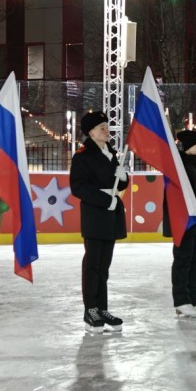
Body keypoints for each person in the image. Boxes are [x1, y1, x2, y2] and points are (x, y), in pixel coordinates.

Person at [69, 111, 128, 334]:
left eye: (106, 126)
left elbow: (118, 185)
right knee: (92, 265)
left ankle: (102, 309)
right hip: (95, 214)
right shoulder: (82, 156)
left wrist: (124, 178)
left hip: (111, 215)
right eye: (101, 127)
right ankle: (91, 310)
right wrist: (105, 200)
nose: (106, 130)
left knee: (104, 266)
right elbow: (78, 187)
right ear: (91, 133)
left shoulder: (111, 153)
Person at [164, 129, 196, 318]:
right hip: (184, 221)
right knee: (183, 261)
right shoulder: (179, 167)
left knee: (195, 261)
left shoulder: (194, 166)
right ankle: (181, 301)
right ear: (186, 148)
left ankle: (194, 298)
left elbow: (195, 191)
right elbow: (178, 195)